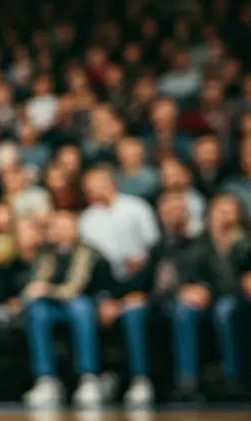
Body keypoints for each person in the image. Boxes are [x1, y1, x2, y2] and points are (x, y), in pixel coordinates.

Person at [101, 192, 195, 408]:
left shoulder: (198, 244)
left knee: (183, 309)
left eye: (175, 210)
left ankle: (187, 382)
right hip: (159, 303)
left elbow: (208, 278)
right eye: (165, 212)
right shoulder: (157, 249)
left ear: (186, 214)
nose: (170, 216)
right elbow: (143, 283)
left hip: (188, 304)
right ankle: (140, 379)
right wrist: (119, 300)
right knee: (133, 312)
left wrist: (202, 288)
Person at [22, 211, 109, 409]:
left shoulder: (87, 252)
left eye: (65, 227)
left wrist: (46, 290)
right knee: (36, 311)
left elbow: (75, 287)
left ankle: (88, 376)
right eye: (56, 227)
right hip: (54, 307)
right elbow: (35, 282)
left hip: (83, 304)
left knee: (80, 306)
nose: (60, 231)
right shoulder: (45, 253)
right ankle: (46, 378)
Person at [173, 195, 249, 402]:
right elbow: (185, 275)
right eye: (220, 211)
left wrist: (233, 244)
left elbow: (237, 282)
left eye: (229, 211)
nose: (224, 216)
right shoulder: (198, 243)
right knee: (184, 309)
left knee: (226, 309)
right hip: (206, 299)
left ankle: (233, 379)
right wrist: (187, 290)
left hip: (237, 299)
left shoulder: (245, 244)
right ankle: (187, 381)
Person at [78, 166, 159, 288]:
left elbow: (152, 239)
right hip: (106, 278)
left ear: (111, 183)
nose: (92, 188)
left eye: (97, 183)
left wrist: (140, 258)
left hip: (143, 271)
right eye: (88, 186)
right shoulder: (86, 219)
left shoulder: (137, 207)